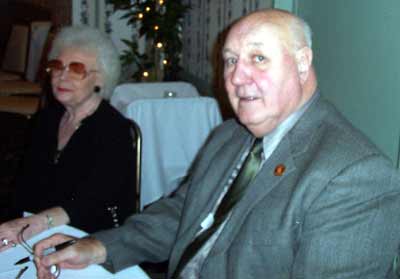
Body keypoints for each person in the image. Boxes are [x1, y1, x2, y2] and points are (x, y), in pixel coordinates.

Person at [34, 9, 400, 279]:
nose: (237, 77)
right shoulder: (229, 135)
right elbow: (182, 213)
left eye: (258, 58)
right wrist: (102, 247)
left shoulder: (356, 177)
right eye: (230, 61)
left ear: (303, 64)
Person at [0, 26, 137, 251]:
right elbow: (23, 188)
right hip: (34, 235)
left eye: (76, 69)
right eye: (57, 67)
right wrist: (10, 228)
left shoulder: (114, 131)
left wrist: (33, 225)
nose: (62, 77)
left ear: (100, 80)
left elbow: (91, 202)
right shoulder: (46, 119)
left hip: (90, 241)